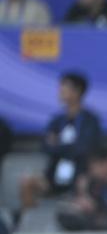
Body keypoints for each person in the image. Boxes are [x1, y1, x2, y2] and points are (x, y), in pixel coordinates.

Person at [20, 72, 102, 210]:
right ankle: (29, 224)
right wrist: (67, 146)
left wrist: (58, 144)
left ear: (78, 92)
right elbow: (45, 146)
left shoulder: (90, 121)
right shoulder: (57, 121)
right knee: (27, 182)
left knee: (85, 184)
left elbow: (84, 148)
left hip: (79, 175)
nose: (60, 91)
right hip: (54, 175)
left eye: (65, 88)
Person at [56, 146, 107, 232]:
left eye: (93, 167)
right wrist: (83, 192)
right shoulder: (95, 185)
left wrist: (95, 208)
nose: (92, 172)